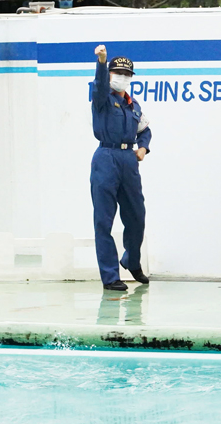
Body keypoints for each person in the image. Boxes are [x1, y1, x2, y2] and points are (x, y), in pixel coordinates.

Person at [90, 45, 152, 291]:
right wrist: (102, 63)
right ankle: (110, 276)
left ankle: (131, 261)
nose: (122, 78)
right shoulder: (102, 98)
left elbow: (145, 130)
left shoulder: (133, 105)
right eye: (117, 73)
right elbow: (100, 85)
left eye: (126, 75)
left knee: (137, 217)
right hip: (106, 157)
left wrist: (143, 148)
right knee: (104, 220)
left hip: (128, 160)